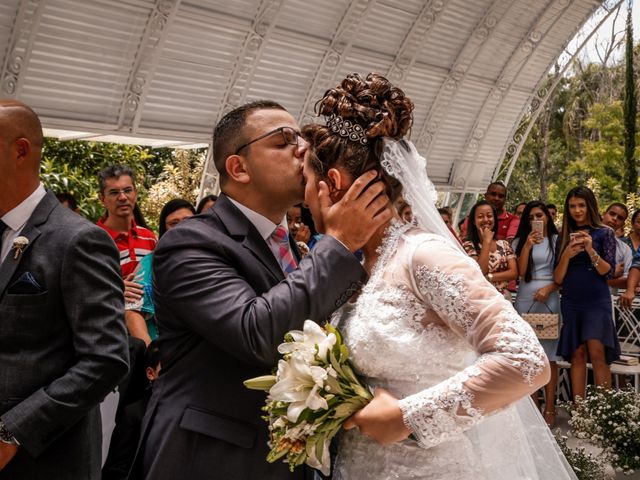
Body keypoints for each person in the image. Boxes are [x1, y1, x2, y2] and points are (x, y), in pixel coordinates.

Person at [302, 73, 574, 480]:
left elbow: (526, 361)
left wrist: (409, 417)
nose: (302, 195)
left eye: (306, 182)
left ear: (334, 184)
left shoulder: (422, 254)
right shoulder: (360, 265)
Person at [138, 100, 393, 480]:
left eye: (302, 138)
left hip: (277, 458)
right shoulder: (190, 242)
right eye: (284, 140)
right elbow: (255, 332)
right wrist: (338, 243)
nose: (304, 148)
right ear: (238, 168)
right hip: (211, 459)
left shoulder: (289, 244)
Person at [0, 100, 129, 478]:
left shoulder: (78, 240)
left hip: (42, 460)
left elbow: (105, 360)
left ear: (20, 150)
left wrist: (11, 433)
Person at [553, 186, 620, 401]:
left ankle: (603, 412)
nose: (577, 210)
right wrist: (567, 254)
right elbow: (557, 279)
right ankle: (579, 411)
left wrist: (591, 250)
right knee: (577, 353)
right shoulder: (562, 235)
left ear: (589, 205)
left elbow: (607, 272)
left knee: (598, 353)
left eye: (581, 205)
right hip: (572, 299)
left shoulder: (605, 233)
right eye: (572, 206)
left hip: (596, 299)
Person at [512, 201, 560, 426]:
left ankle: (550, 407)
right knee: (530, 353)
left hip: (548, 295)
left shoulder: (557, 241)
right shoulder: (519, 242)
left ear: (548, 217)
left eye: (539, 215)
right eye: (530, 217)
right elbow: (520, 273)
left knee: (549, 354)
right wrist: (528, 245)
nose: (535, 220)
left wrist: (550, 288)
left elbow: (562, 273)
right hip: (525, 296)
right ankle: (533, 407)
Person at [125, 199, 196, 345]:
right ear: (164, 230)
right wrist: (152, 354)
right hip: (165, 354)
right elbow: (133, 312)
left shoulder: (216, 257)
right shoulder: (150, 263)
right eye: (173, 223)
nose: (182, 226)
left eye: (187, 220)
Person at [96, 165, 157, 279]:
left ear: (135, 193)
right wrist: (117, 289)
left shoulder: (149, 238)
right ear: (102, 198)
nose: (123, 197)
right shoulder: (92, 241)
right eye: (114, 192)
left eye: (128, 190)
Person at [462, 200, 518, 298]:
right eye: (480, 216)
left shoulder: (504, 244)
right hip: (480, 298)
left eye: (489, 216)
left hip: (503, 298)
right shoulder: (468, 245)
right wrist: (486, 242)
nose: (485, 219)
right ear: (474, 222)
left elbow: (513, 273)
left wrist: (489, 277)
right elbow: (480, 271)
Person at [602, 203, 632, 294]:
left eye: (620, 218)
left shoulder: (625, 249)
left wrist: (599, 280)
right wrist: (612, 273)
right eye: (612, 214)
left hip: (609, 300)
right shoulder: (586, 239)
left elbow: (627, 281)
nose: (615, 219)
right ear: (604, 214)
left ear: (623, 224)